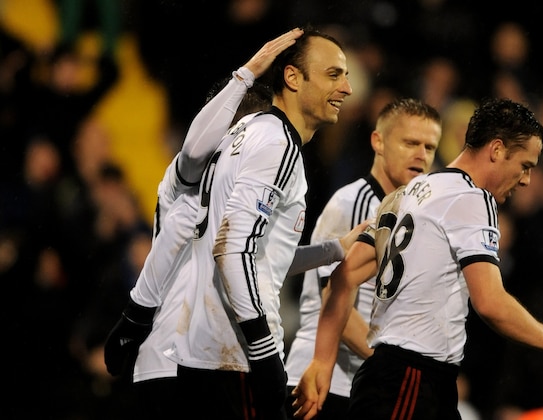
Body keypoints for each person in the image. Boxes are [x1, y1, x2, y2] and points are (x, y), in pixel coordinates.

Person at [291, 98, 543, 420]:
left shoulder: (409, 191)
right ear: (496, 150)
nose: (526, 180)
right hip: (412, 378)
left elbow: (346, 274)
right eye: (525, 165)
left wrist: (321, 361)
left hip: (388, 375)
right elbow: (490, 302)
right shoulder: (473, 198)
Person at [103, 28, 304, 417]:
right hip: (190, 352)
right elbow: (185, 238)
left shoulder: (212, 186)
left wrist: (331, 251)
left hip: (168, 358)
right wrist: (133, 316)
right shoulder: (194, 176)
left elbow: (253, 257)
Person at [163, 27, 352, 420]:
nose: (347, 88)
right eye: (334, 74)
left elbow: (260, 253)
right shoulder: (277, 144)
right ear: (293, 77)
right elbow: (232, 248)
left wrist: (334, 250)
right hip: (237, 357)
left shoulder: (245, 132)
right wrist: (265, 352)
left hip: (203, 352)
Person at [284, 98, 442, 418]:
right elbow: (337, 300)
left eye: (429, 146)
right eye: (410, 142)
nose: (420, 155)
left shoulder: (413, 215)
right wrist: (398, 366)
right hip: (328, 385)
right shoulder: (354, 204)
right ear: (378, 141)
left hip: (368, 385)